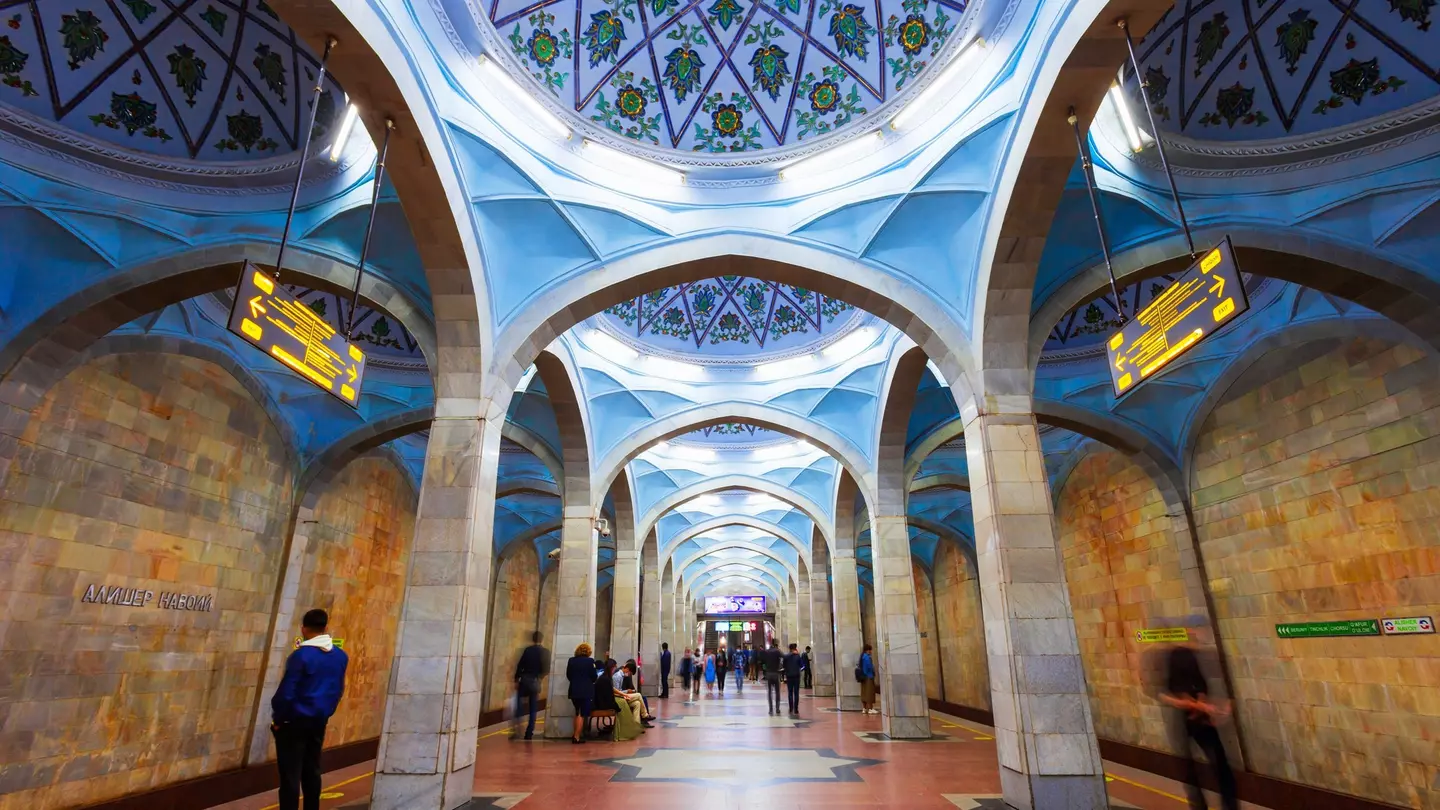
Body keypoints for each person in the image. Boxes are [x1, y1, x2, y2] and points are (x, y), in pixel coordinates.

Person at [270, 609, 349, 810]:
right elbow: (338, 689)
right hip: (318, 721)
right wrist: (326, 712)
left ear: (304, 629)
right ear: (326, 628)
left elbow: (287, 692)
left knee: (290, 776)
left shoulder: (301, 656)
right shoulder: (340, 656)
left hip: (293, 722)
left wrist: (278, 719)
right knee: (312, 771)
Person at [1162, 642, 1238, 810]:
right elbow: (1175, 697)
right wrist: (1202, 707)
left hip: (1198, 721)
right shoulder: (1173, 662)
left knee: (1214, 765)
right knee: (1198, 769)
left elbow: (1197, 688)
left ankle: (1223, 806)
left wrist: (1202, 705)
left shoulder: (1184, 662)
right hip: (1185, 722)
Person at [595, 659, 646, 741]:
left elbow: (613, 689)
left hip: (615, 696)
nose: (616, 669)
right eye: (614, 667)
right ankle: (644, 715)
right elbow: (612, 691)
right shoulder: (613, 677)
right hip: (608, 700)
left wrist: (624, 694)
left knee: (637, 703)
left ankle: (636, 725)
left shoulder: (609, 677)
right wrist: (625, 694)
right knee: (638, 696)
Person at [512, 631, 548, 740]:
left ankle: (517, 730)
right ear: (542, 640)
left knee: (518, 705)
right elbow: (546, 669)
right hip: (535, 682)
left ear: (533, 639)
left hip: (524, 680)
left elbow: (520, 665)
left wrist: (516, 679)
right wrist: (540, 678)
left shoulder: (528, 650)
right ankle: (529, 732)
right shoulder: (545, 652)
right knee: (533, 707)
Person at [565, 642, 597, 744]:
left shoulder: (571, 661)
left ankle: (575, 734)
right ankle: (577, 736)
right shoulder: (590, 661)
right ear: (588, 652)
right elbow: (594, 677)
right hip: (586, 690)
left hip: (574, 689)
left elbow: (568, 675)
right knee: (582, 714)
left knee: (577, 712)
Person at [760, 641, 783, 715]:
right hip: (776, 673)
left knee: (769, 692)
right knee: (777, 692)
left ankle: (770, 709)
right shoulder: (777, 651)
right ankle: (777, 708)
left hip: (769, 673)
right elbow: (784, 657)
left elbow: (762, 662)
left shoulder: (766, 652)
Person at [784, 643, 803, 715]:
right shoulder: (798, 656)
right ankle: (796, 709)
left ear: (789, 648)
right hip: (796, 676)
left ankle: (791, 708)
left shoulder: (786, 656)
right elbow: (802, 666)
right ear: (795, 648)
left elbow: (784, 666)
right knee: (796, 693)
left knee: (790, 692)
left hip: (789, 676)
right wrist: (799, 669)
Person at [858, 644, 878, 714]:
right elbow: (869, 667)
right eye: (870, 650)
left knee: (864, 693)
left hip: (863, 678)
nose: (871, 651)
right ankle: (870, 708)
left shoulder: (862, 657)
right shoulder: (867, 657)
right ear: (867, 650)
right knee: (870, 693)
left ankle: (864, 708)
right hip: (868, 677)